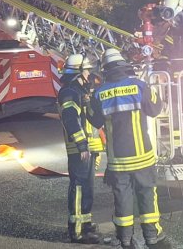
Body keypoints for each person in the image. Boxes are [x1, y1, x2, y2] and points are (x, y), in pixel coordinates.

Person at [90, 49, 169, 249]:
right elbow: (155, 108)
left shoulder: (99, 94)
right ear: (123, 66)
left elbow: (94, 119)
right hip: (142, 156)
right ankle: (153, 237)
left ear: (105, 70)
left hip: (117, 160)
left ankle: (125, 239)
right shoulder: (139, 86)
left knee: (122, 198)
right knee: (147, 194)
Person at [57, 53, 104, 244]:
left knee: (87, 188)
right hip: (80, 150)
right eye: (86, 72)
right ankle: (77, 232)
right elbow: (70, 119)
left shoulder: (78, 91)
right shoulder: (70, 92)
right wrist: (82, 145)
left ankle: (85, 224)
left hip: (87, 148)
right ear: (78, 72)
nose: (89, 75)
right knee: (79, 188)